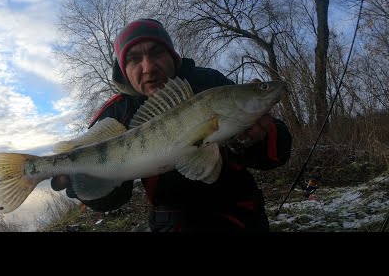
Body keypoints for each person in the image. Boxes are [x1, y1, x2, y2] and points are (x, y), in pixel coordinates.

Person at [51, 18, 292, 232]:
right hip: (170, 223)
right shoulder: (116, 113)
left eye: (156, 52)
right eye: (134, 58)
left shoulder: (209, 85)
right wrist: (82, 181)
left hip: (238, 216)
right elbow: (113, 200)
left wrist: (255, 139)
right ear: (124, 70)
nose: (148, 67)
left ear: (172, 56)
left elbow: (277, 154)